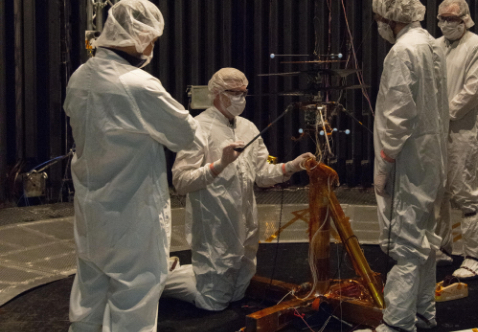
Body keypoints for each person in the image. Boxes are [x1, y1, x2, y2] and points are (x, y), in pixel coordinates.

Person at [63, 1, 200, 331]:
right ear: (139, 35)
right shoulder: (138, 85)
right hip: (134, 215)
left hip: (93, 210)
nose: (152, 47)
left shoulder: (81, 76)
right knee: (135, 300)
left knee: (88, 295)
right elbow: (186, 136)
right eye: (151, 39)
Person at [162, 68, 315, 311]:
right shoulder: (197, 128)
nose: (240, 98)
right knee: (213, 303)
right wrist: (220, 164)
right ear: (216, 94)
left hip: (245, 221)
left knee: (237, 292)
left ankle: (184, 272)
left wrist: (292, 166)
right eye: (234, 92)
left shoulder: (248, 127)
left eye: (243, 92)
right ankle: (161, 278)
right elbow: (181, 181)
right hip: (214, 225)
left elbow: (262, 175)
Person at [370, 0, 449, 331]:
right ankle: (423, 312)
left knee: (404, 242)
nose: (378, 24)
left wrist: (385, 162)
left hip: (406, 161)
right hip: (430, 159)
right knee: (424, 239)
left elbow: (398, 114)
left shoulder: (402, 52)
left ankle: (398, 324)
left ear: (389, 17)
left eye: (378, 18)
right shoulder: (431, 44)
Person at [434, 0, 478, 280]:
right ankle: (441, 248)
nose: (446, 23)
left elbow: (473, 90)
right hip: (434, 132)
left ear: (465, 19)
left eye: (451, 18)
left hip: (461, 133)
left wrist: (445, 114)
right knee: (437, 192)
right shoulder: (436, 46)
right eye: (442, 18)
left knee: (466, 194)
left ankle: (475, 256)